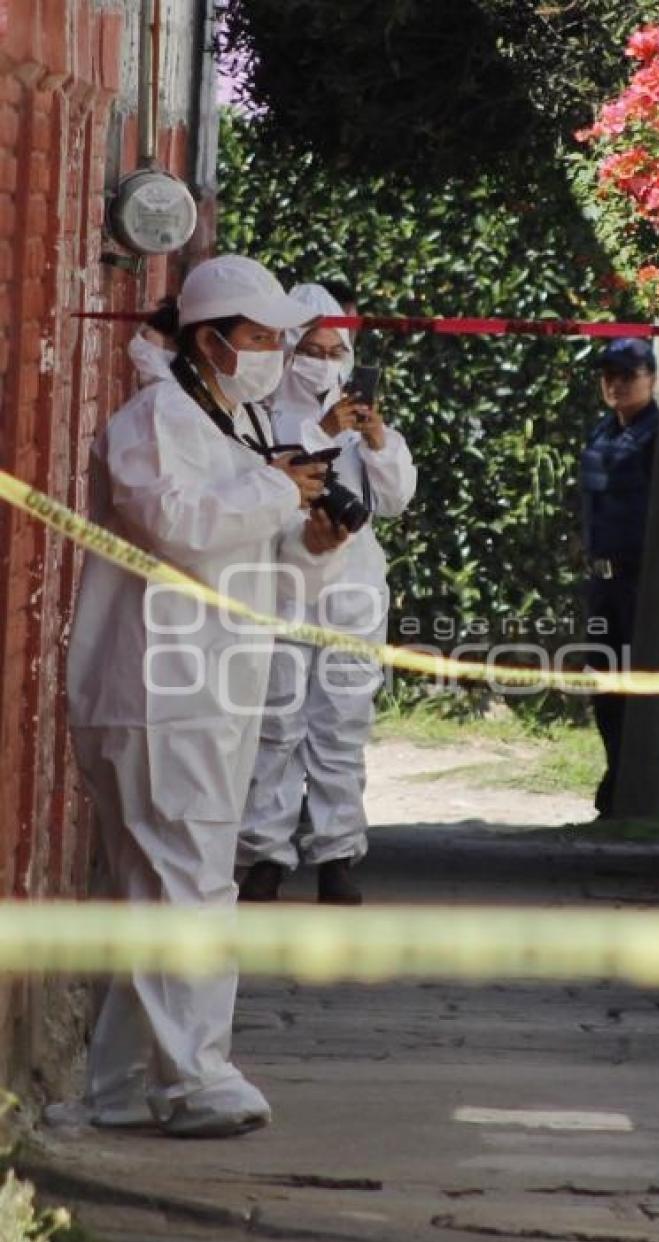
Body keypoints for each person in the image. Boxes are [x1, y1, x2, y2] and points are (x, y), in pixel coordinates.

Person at [54, 255, 343, 1137]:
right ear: (209, 340)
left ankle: (115, 1089)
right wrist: (273, 489)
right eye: (257, 338)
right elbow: (174, 525)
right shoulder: (153, 421)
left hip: (205, 691)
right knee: (188, 883)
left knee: (159, 886)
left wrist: (314, 536)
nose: (270, 353)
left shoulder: (236, 426)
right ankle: (194, 1080)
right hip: (153, 690)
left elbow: (254, 557)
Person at [236, 283, 417, 905]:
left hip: (355, 589)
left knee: (341, 723)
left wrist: (374, 440)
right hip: (285, 584)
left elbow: (393, 501)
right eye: (311, 347)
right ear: (290, 347)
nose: (323, 358)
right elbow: (267, 482)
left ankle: (338, 853)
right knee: (276, 721)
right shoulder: (255, 410)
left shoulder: (362, 419)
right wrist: (321, 429)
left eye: (335, 349)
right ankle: (265, 855)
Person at [580, 338, 659, 818]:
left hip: (643, 586)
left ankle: (632, 795)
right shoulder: (602, 432)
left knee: (641, 689)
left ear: (652, 378)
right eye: (609, 374)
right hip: (604, 585)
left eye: (628, 374)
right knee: (605, 688)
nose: (616, 384)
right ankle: (618, 781)